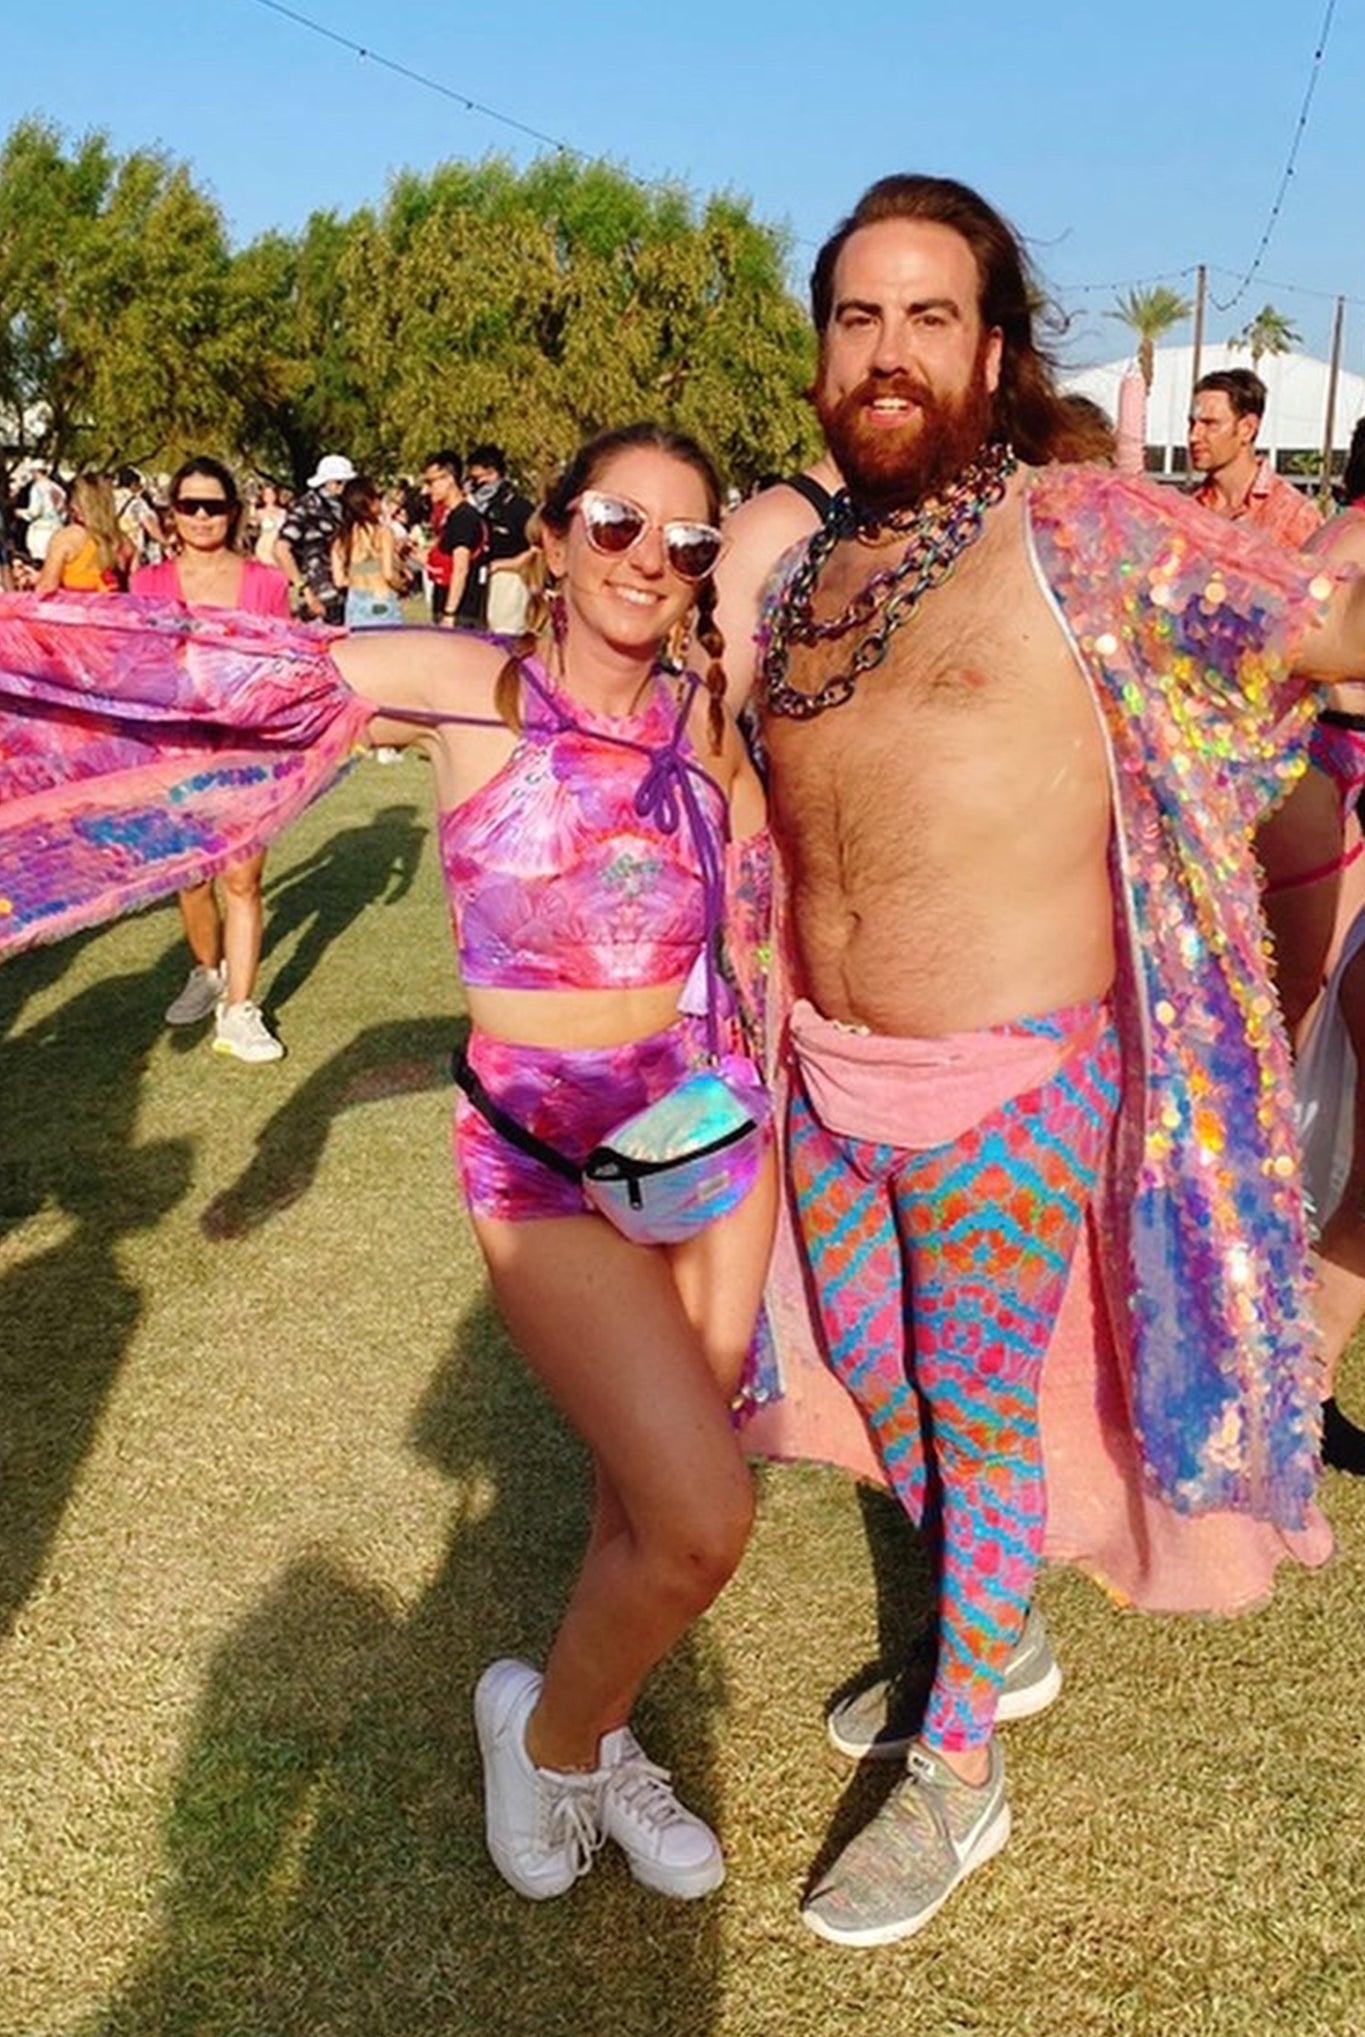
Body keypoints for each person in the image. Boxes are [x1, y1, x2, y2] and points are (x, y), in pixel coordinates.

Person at [0, 421, 774, 1908]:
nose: (646, 559)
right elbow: (202, 690)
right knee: (701, 1517)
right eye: (615, 520)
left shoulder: (704, 722)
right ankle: (543, 1737)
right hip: (540, 1158)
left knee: (650, 1487)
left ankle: (591, 1727)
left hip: (701, 1140)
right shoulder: (464, 688)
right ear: (548, 536)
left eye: (683, 541)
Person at [753, 172, 1365, 1949]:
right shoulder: (812, 575)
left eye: (929, 316)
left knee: (981, 1396)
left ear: (996, 347)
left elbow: (1323, 630)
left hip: (1013, 1076)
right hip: (827, 1074)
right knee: (889, 1391)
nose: (887, 351)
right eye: (857, 315)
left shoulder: (1079, 528)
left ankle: (960, 1769)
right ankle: (995, 1631)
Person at [133, 456, 292, 1063]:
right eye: (189, 506)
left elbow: (281, 664)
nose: (202, 517)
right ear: (172, 514)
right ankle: (208, 971)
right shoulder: (147, 582)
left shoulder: (264, 583)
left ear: (233, 510)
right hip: (172, 749)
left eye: (214, 505)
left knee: (243, 879)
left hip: (247, 747)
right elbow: (138, 664)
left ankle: (239, 1011)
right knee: (193, 877)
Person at [1187, 368, 1322, 548]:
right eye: (1192, 424)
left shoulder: (1293, 516)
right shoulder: (1188, 510)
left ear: (1247, 429)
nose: (1194, 436)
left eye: (1210, 424)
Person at [274, 454, 355, 624]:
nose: (343, 488)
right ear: (326, 482)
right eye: (339, 482)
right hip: (319, 595)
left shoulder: (346, 508)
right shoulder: (305, 508)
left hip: (347, 592)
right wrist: (305, 590)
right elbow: (281, 550)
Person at [466, 443, 534, 635]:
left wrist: (510, 564)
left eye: (477, 478)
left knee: (505, 638)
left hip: (509, 580)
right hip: (479, 581)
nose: (474, 484)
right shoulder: (475, 508)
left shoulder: (519, 507)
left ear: (493, 473)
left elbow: (538, 547)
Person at [421, 449, 488, 629]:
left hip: (460, 613)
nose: (427, 489)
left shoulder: (463, 517)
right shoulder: (451, 516)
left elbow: (460, 568)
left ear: (449, 479)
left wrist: (450, 613)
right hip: (446, 605)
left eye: (431, 482)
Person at [36, 472, 132, 593]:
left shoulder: (66, 538)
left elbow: (46, 588)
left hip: (75, 610)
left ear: (74, 506)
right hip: (114, 610)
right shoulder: (124, 542)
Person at [331, 475, 405, 629]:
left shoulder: (341, 539)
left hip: (355, 603)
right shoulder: (383, 533)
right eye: (377, 496)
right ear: (370, 503)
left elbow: (339, 580)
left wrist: (362, 571)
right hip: (381, 602)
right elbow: (388, 574)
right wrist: (402, 586)